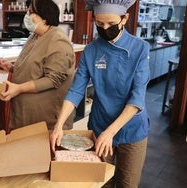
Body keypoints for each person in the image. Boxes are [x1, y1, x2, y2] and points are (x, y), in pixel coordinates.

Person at [50, 0, 150, 187]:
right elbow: (76, 90)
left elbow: (137, 98)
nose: (105, 28)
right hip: (100, 124)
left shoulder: (140, 48)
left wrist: (110, 132)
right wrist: (59, 125)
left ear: (125, 18)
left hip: (131, 129)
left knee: (126, 182)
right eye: (99, 24)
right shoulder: (91, 50)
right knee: (100, 180)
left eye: (111, 24)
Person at [0, 0, 75, 130]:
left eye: (31, 12)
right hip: (26, 113)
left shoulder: (58, 41)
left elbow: (53, 79)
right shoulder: (35, 36)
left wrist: (19, 88)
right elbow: (34, 66)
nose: (27, 15)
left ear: (44, 18)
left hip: (46, 118)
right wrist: (11, 67)